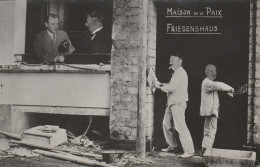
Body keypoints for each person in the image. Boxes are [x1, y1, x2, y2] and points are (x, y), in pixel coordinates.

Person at [155, 54, 195, 158]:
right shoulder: (176, 73)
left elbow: (172, 87)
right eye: (170, 59)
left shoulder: (181, 73)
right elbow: (171, 85)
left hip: (178, 103)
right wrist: (162, 84)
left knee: (180, 126)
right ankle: (172, 146)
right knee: (166, 124)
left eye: (172, 60)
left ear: (179, 61)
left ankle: (189, 151)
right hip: (171, 102)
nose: (170, 61)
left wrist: (159, 87)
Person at [200, 64, 234, 155]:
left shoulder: (209, 83)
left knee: (207, 131)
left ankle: (204, 149)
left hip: (209, 112)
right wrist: (231, 89)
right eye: (211, 71)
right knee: (211, 131)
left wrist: (229, 92)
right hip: (211, 112)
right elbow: (218, 85)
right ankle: (207, 151)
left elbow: (217, 89)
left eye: (215, 71)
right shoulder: (207, 83)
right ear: (206, 72)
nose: (214, 73)